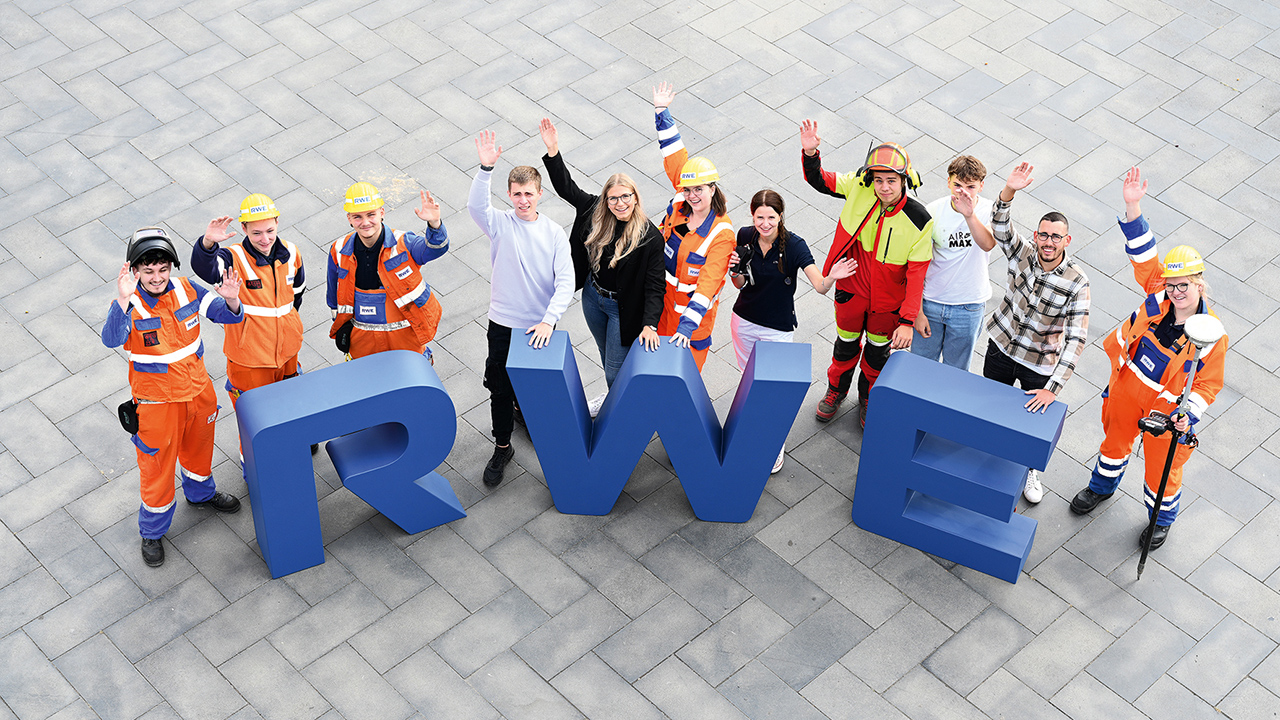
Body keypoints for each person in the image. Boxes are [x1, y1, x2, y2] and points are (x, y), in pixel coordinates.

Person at [1069, 167, 1226, 551]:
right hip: (1127, 388)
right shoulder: (1159, 292)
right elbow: (1144, 254)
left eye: (1183, 285)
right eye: (1171, 284)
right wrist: (1133, 204)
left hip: (1168, 412)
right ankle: (1101, 488)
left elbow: (1208, 384)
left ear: (1199, 283)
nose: (1175, 292)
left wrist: (1188, 412)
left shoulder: (1211, 334)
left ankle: (1160, 519)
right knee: (1113, 444)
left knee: (1162, 471)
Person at [102, 228, 245, 567]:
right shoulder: (129, 303)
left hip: (198, 393)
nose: (156, 277)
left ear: (171, 268)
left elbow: (227, 315)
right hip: (156, 406)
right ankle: (152, 531)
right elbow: (111, 339)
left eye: (162, 269)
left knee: (198, 449)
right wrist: (122, 299)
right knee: (156, 468)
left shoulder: (187, 288)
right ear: (134, 270)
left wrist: (232, 298)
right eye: (148, 271)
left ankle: (200, 493)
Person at [801, 120, 934, 427]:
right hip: (851, 291)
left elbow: (917, 276)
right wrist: (811, 152)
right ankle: (836, 390)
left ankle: (868, 397)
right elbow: (821, 180)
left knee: (877, 355)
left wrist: (907, 321)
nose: (883, 187)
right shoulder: (859, 187)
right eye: (878, 180)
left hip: (887, 304)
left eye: (891, 180)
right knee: (844, 345)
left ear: (904, 180)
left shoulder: (919, 220)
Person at [469, 130, 574, 488]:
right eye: (517, 194)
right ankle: (502, 446)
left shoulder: (554, 233)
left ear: (540, 194)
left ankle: (529, 417)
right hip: (502, 323)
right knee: (499, 387)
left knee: (539, 387)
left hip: (538, 328)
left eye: (529, 193)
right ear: (509, 195)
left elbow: (565, 282)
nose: (523, 200)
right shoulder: (500, 224)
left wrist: (549, 320)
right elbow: (475, 207)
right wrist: (486, 168)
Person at [539, 118, 664, 416]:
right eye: (613, 198)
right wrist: (553, 150)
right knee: (605, 354)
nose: (620, 203)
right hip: (594, 298)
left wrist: (649, 324)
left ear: (635, 197)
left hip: (623, 309)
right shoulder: (595, 211)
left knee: (614, 369)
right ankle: (616, 399)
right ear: (606, 200)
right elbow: (566, 187)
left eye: (626, 197)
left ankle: (625, 412)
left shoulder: (649, 237)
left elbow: (655, 285)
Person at [984, 162, 1090, 504]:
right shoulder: (1024, 254)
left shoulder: (1077, 281)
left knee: (1031, 424)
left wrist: (1053, 389)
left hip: (1038, 364)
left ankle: (1030, 469)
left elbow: (1076, 339)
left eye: (1055, 236)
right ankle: (985, 453)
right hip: (1001, 347)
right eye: (1043, 234)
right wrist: (1009, 191)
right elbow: (1000, 227)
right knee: (992, 408)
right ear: (1036, 235)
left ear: (1066, 240)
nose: (1047, 241)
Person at [727, 189, 856, 472]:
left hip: (778, 329)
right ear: (752, 216)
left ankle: (774, 446)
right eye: (759, 217)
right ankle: (748, 433)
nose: (764, 223)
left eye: (770, 217)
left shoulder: (795, 246)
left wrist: (832, 276)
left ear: (780, 216)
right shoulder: (745, 235)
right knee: (749, 384)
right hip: (744, 322)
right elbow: (739, 285)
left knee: (773, 390)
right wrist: (734, 271)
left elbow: (820, 286)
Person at [191, 194, 306, 458]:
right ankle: (254, 465)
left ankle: (292, 444)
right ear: (243, 229)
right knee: (253, 417)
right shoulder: (233, 258)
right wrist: (208, 243)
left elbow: (297, 292)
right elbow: (204, 268)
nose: (264, 239)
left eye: (269, 231)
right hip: (249, 357)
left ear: (277, 223)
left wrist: (287, 327)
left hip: (287, 351)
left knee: (289, 401)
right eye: (256, 233)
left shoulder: (292, 252)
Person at [651, 82, 735, 372]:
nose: (692, 195)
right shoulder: (681, 201)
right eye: (688, 189)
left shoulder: (721, 235)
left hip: (690, 325)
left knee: (681, 384)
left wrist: (685, 328)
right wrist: (662, 111)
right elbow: (674, 157)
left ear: (713, 189)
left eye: (699, 189)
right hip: (659, 310)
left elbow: (708, 284)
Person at [326, 182, 448, 361]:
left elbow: (435, 248)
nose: (365, 222)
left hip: (404, 337)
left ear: (382, 213)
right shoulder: (338, 249)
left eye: (371, 214)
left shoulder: (404, 243)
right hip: (362, 339)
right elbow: (333, 296)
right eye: (358, 217)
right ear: (349, 219)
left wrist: (434, 223)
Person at [910, 156, 996, 370]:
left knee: (956, 371)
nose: (963, 192)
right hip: (931, 302)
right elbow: (917, 264)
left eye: (970, 186)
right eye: (957, 185)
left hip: (968, 306)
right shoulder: (932, 211)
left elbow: (988, 244)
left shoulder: (989, 210)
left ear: (981, 186)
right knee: (921, 365)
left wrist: (969, 215)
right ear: (948, 182)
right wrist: (918, 312)